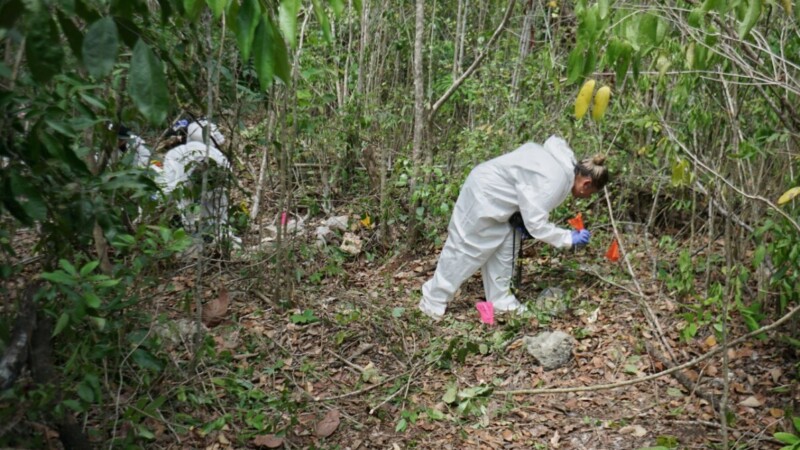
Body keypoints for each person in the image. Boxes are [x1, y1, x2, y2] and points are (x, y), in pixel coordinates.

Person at [418, 135, 609, 320]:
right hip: (484, 195)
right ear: (586, 184)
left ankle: (501, 301)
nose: (586, 197)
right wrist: (567, 238)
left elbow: (528, 194)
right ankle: (432, 300)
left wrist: (524, 220)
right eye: (590, 193)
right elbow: (537, 224)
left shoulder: (563, 168)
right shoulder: (556, 179)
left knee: (505, 250)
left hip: (503, 206)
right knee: (466, 249)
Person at [156, 119, 235, 243]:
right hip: (217, 185)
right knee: (218, 218)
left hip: (190, 188)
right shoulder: (217, 153)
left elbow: (171, 188)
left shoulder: (174, 153)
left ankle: (193, 238)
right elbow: (229, 175)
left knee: (187, 209)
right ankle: (223, 238)